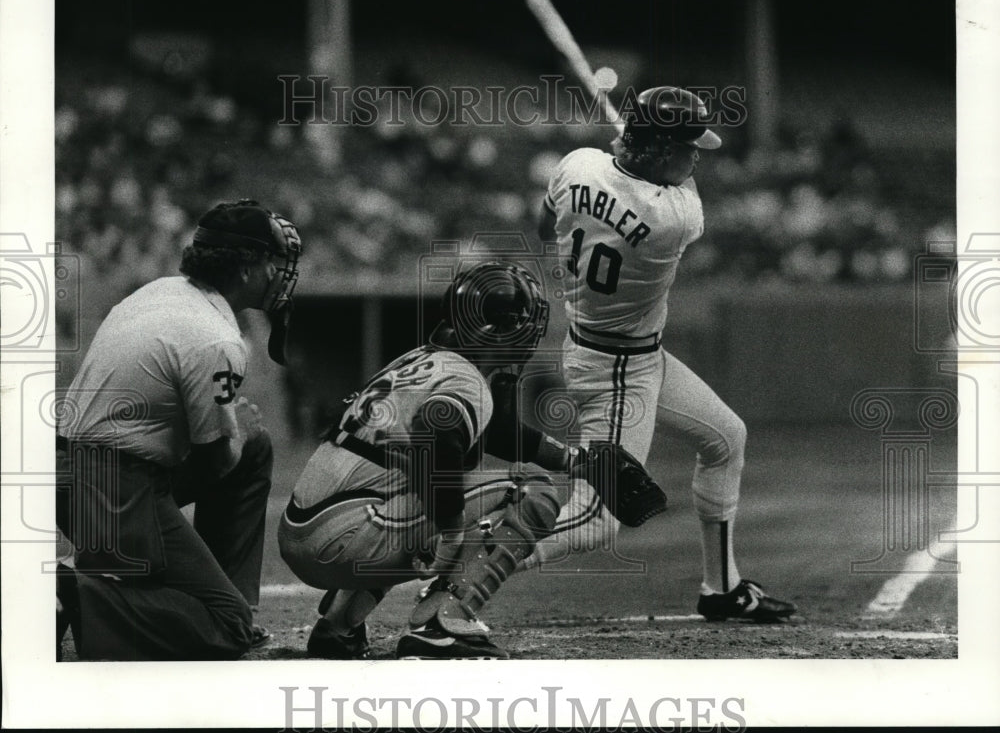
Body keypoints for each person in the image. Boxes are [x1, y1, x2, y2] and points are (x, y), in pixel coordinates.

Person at [278, 261, 642, 659]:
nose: (528, 336)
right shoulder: (465, 379)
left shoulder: (423, 359)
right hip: (350, 537)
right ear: (499, 329)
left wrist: (578, 461)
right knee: (531, 490)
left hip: (308, 530)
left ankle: (339, 623)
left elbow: (498, 431)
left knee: (429, 484)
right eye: (523, 325)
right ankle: (444, 622)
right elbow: (433, 437)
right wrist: (451, 531)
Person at [532, 86, 797, 622]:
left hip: (631, 355)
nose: (697, 155)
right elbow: (657, 188)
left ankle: (721, 588)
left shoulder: (575, 163)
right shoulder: (673, 219)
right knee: (594, 521)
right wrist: (626, 165)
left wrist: (613, 166)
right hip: (615, 373)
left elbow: (546, 225)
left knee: (726, 439)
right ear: (655, 149)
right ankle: (456, 573)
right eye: (686, 145)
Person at [55, 199, 303, 659]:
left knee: (254, 446)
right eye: (272, 261)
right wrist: (237, 433)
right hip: (113, 488)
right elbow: (215, 462)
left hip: (83, 472)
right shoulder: (216, 337)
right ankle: (76, 592)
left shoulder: (160, 291)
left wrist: (239, 436)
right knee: (224, 628)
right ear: (247, 267)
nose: (279, 273)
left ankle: (224, 597)